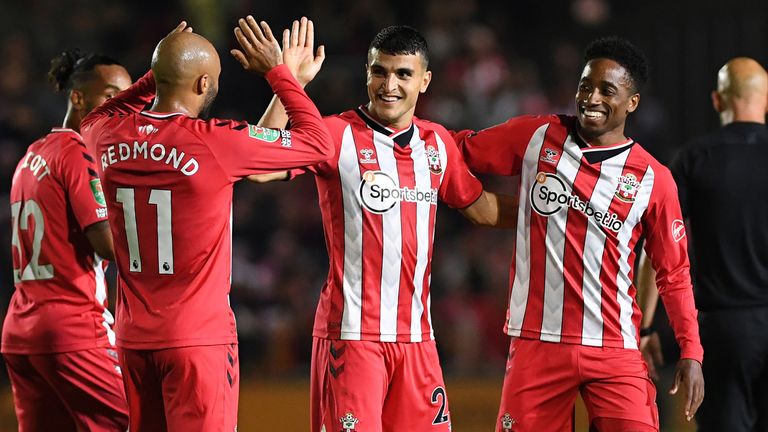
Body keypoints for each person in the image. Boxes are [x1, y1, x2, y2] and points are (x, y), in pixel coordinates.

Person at [258, 24, 516, 432]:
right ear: (367, 73)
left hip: (418, 340)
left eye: (403, 74)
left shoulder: (436, 144)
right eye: (380, 72)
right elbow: (261, 165)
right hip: (352, 337)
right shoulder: (335, 134)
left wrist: (551, 214)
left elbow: (480, 208)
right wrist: (286, 84)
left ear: (425, 80)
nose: (389, 85)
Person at [80, 19, 333, 431]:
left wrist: (156, 75)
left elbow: (98, 115)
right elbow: (318, 144)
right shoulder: (214, 141)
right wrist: (281, 75)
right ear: (203, 86)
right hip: (198, 342)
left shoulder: (104, 135)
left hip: (133, 341)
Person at [451, 36, 705, 432]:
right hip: (537, 342)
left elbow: (673, 274)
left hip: (614, 348)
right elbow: (459, 149)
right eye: (586, 85)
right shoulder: (539, 136)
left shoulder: (655, 180)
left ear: (632, 102)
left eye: (608, 90)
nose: (591, 97)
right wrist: (402, 129)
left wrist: (691, 351)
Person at [3, 49, 130, 431]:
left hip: (22, 330)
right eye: (111, 95)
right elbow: (107, 244)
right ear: (78, 98)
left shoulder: (32, 155)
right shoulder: (77, 151)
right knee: (146, 419)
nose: (121, 108)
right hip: (73, 327)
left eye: (127, 98)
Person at [668, 57, 768, 432]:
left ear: (717, 100)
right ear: (766, 100)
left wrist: (645, 328)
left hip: (724, 327)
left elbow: (662, 244)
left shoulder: (694, 158)